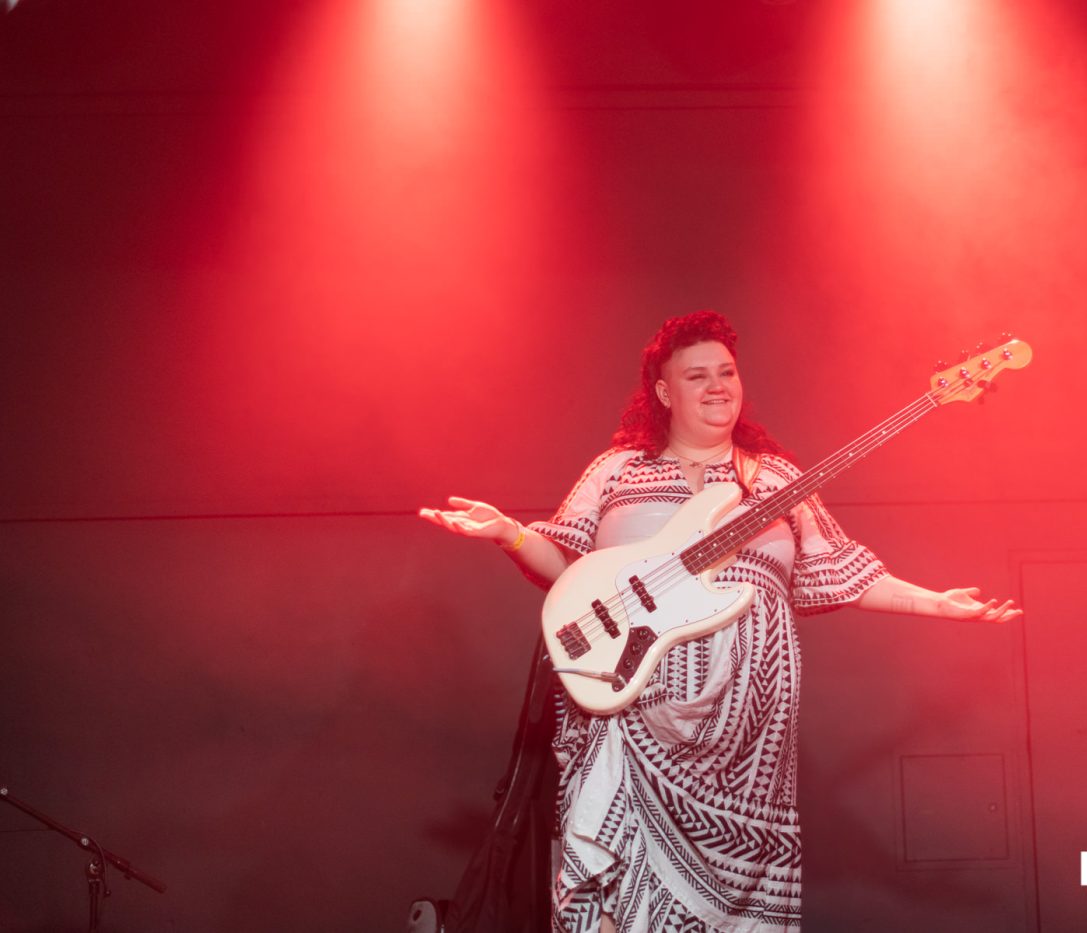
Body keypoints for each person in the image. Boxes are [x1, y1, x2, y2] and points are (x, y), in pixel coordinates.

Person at [420, 310, 1021, 932]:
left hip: (748, 741)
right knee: (617, 892)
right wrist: (508, 534)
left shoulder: (779, 480)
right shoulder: (618, 471)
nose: (717, 386)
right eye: (697, 374)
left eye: (727, 372)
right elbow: (566, 565)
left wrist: (938, 604)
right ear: (663, 392)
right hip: (629, 710)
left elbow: (843, 571)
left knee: (740, 908)